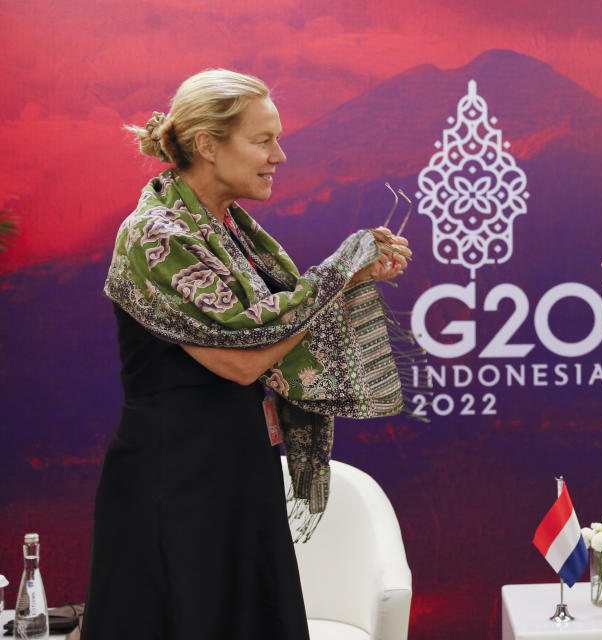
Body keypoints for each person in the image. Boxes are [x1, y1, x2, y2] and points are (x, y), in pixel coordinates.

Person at [83, 69, 412, 639]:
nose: (279, 155)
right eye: (263, 140)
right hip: (174, 481)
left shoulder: (230, 229)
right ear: (208, 145)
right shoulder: (156, 235)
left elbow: (278, 325)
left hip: (237, 467)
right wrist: (337, 275)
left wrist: (352, 279)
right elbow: (242, 357)